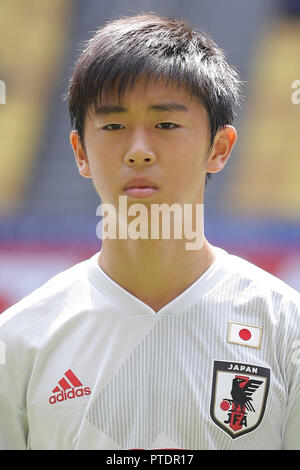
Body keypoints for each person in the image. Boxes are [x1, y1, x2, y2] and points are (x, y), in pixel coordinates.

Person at [0, 12, 299, 450]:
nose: (139, 151)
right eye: (114, 125)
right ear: (80, 152)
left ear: (219, 148)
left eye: (165, 125)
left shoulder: (287, 329)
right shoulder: (19, 340)